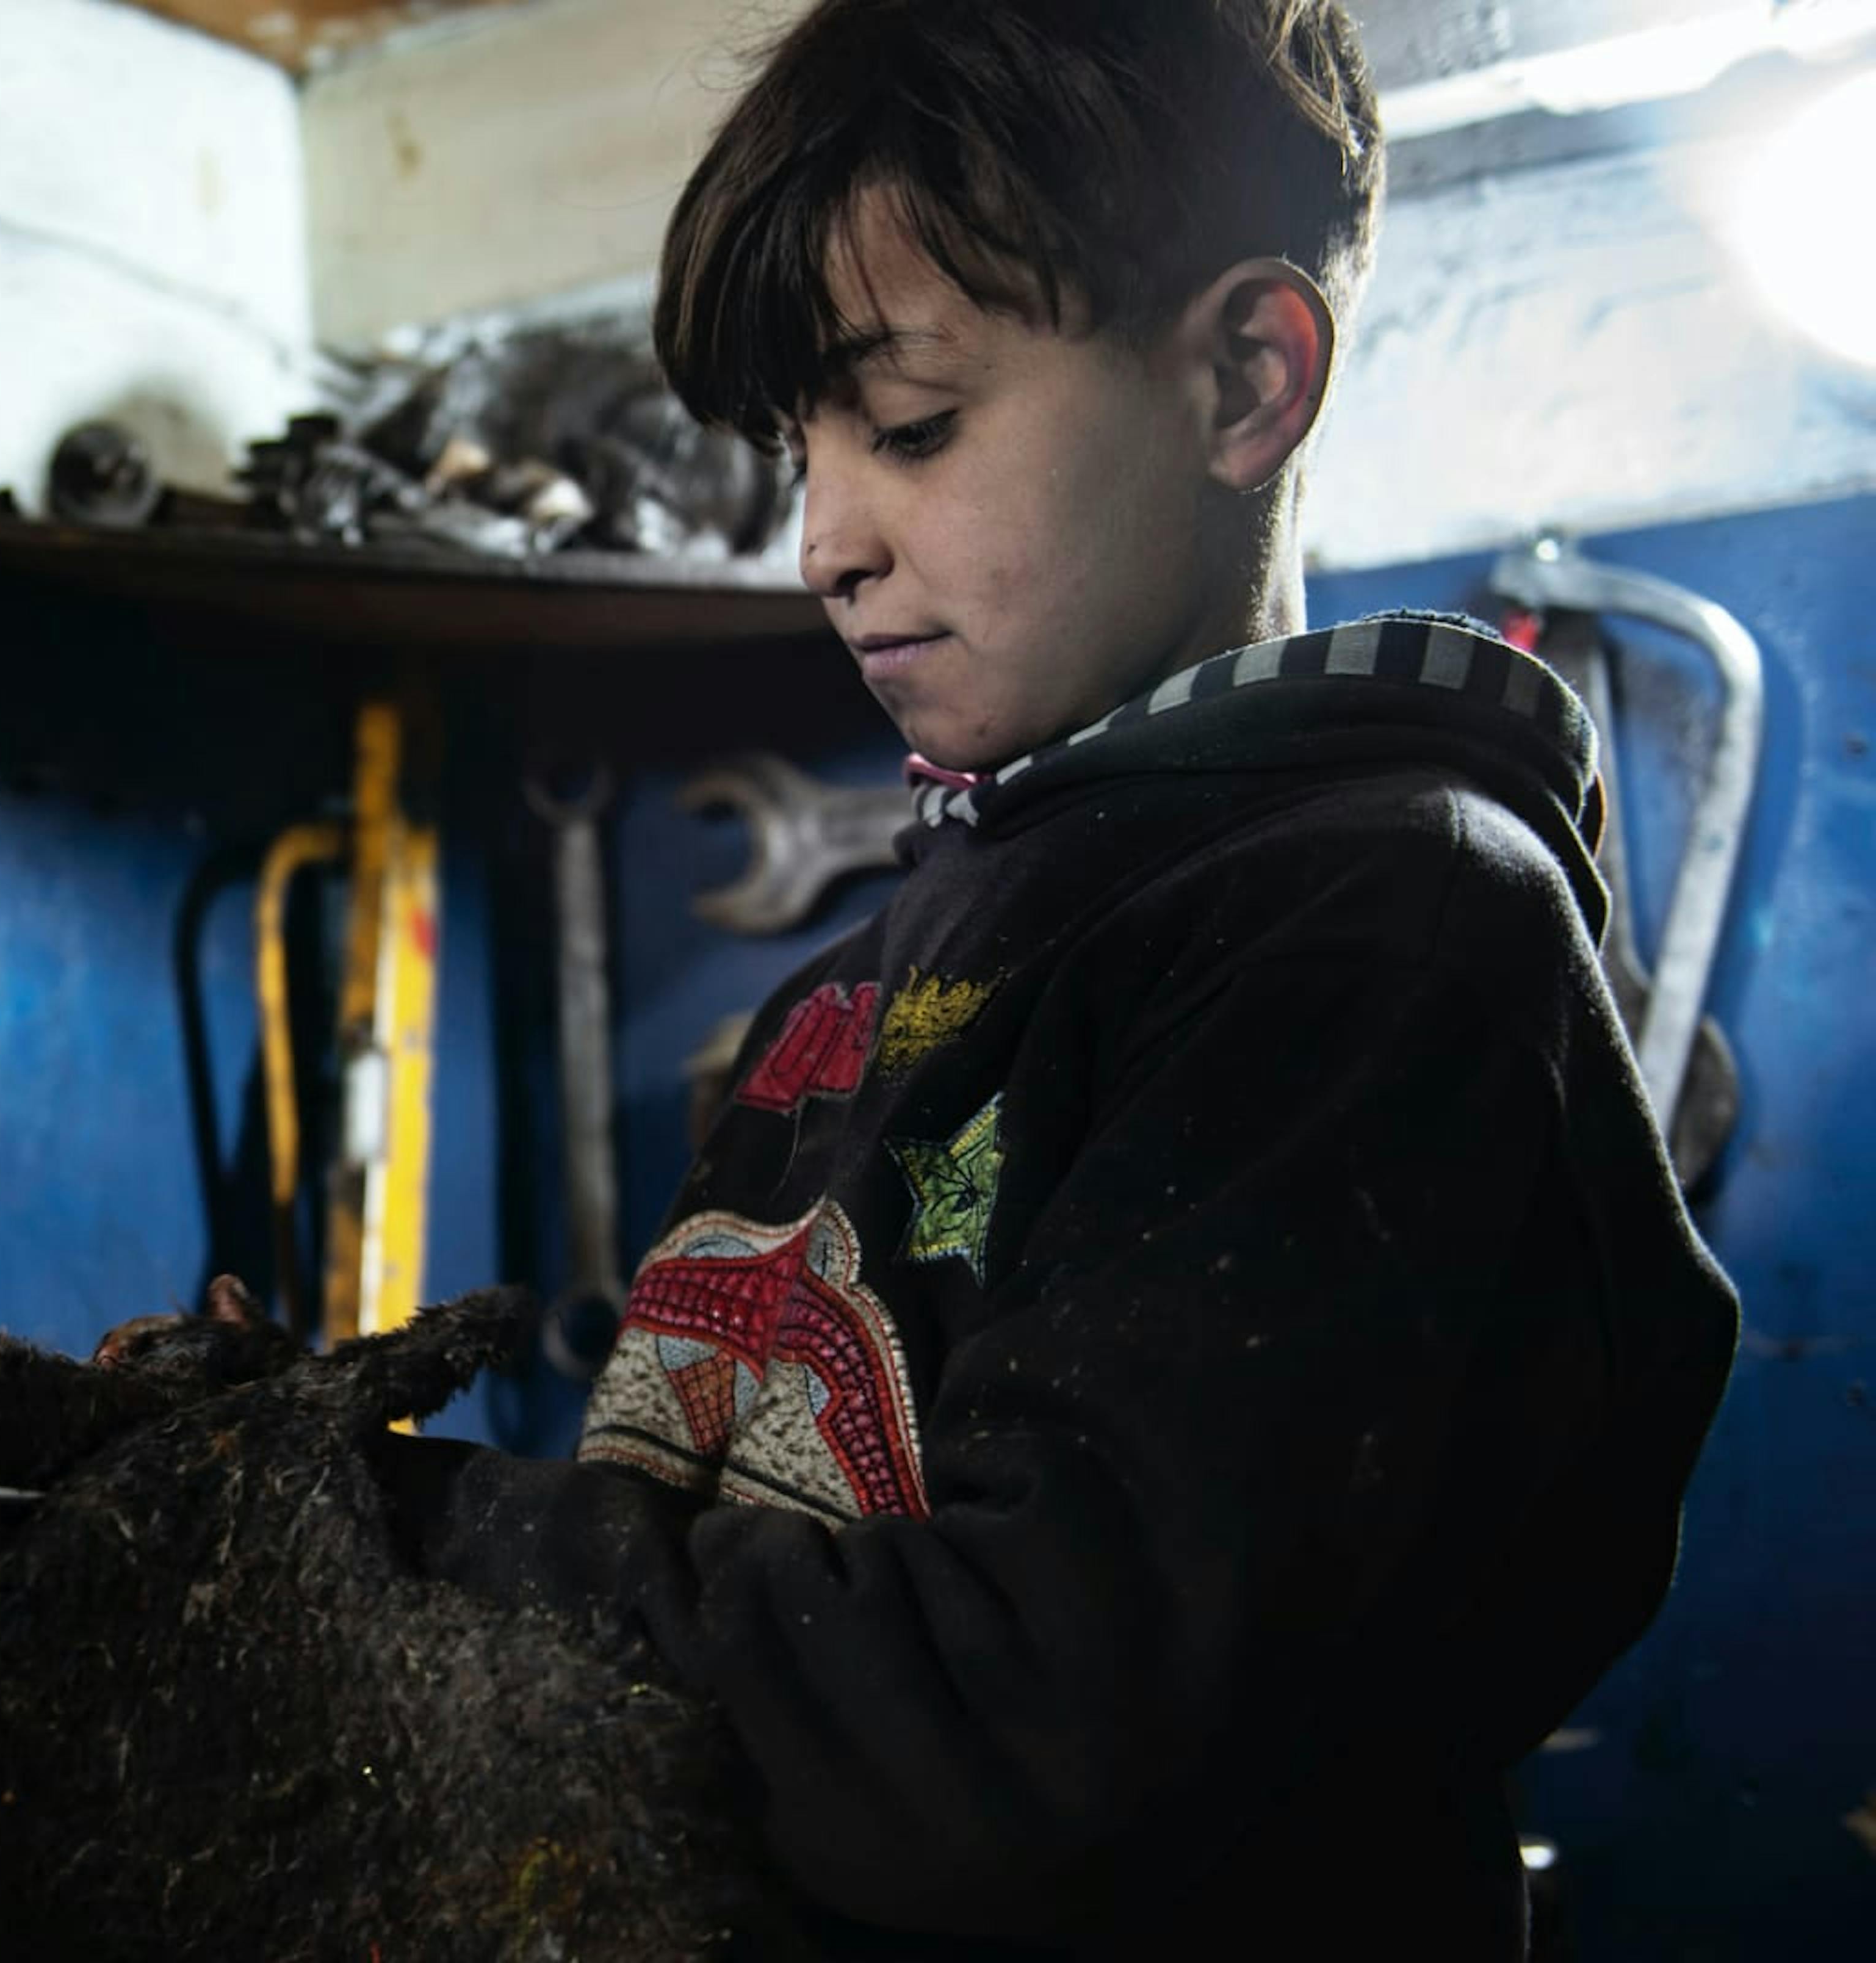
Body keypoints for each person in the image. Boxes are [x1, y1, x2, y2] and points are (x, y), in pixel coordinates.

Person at [370, 2, 1741, 1955]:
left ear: (1247, 380)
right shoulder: (850, 991)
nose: (826, 542)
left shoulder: (1390, 937)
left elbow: (1014, 1746)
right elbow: (693, 1557)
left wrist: (387, 1544)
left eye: (911, 424)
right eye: (800, 451)